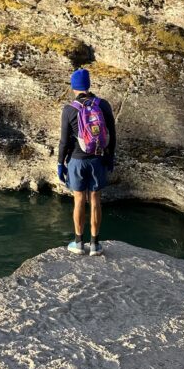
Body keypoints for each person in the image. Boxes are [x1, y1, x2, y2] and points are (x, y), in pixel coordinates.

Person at [57, 68, 116, 256]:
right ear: (88, 85)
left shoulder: (69, 110)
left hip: (77, 161)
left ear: (74, 87)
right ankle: (95, 245)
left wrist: (60, 164)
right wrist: (110, 157)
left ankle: (78, 243)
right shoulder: (103, 105)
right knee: (95, 199)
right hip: (97, 159)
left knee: (79, 199)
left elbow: (64, 142)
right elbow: (112, 135)